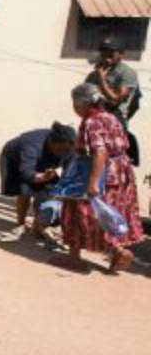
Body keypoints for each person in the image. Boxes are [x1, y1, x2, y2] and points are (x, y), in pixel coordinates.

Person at [56, 83, 144, 273]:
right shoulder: (111, 118)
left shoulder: (91, 121)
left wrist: (93, 183)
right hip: (121, 173)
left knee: (76, 211)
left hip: (100, 172)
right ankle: (118, 250)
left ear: (84, 103)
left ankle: (73, 258)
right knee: (107, 213)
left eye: (74, 103)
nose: (74, 108)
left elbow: (100, 152)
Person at [0, 123, 75, 236]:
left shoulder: (69, 148)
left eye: (67, 150)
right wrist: (43, 177)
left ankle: (37, 227)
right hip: (15, 159)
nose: (63, 153)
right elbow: (26, 173)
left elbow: (68, 173)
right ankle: (20, 223)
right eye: (60, 149)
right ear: (51, 143)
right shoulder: (32, 144)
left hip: (42, 162)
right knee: (24, 190)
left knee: (47, 190)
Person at [85, 37, 140, 165]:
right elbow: (85, 97)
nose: (106, 55)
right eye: (103, 51)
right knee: (94, 160)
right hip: (95, 121)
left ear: (121, 54)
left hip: (115, 122)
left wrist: (102, 80)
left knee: (114, 161)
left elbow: (115, 100)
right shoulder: (94, 74)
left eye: (111, 52)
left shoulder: (127, 73)